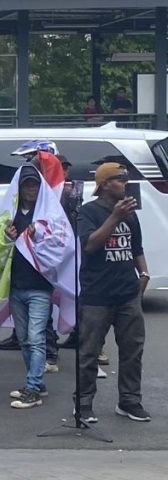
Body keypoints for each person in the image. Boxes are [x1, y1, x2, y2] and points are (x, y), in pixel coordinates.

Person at [75, 163, 151, 422]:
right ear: (105, 184)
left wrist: (144, 274)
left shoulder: (129, 212)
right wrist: (114, 217)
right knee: (88, 353)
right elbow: (89, 245)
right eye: (120, 179)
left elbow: (136, 247)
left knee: (132, 350)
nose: (125, 183)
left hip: (127, 292)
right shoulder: (88, 212)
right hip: (97, 294)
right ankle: (83, 405)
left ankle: (129, 401)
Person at [0, 165, 52, 409]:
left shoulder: (47, 214)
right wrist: (6, 237)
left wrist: (38, 236)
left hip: (40, 287)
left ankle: (33, 389)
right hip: (16, 286)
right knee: (25, 339)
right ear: (19, 188)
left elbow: (58, 245)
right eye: (27, 185)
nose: (31, 189)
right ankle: (36, 382)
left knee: (36, 338)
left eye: (35, 184)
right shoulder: (10, 215)